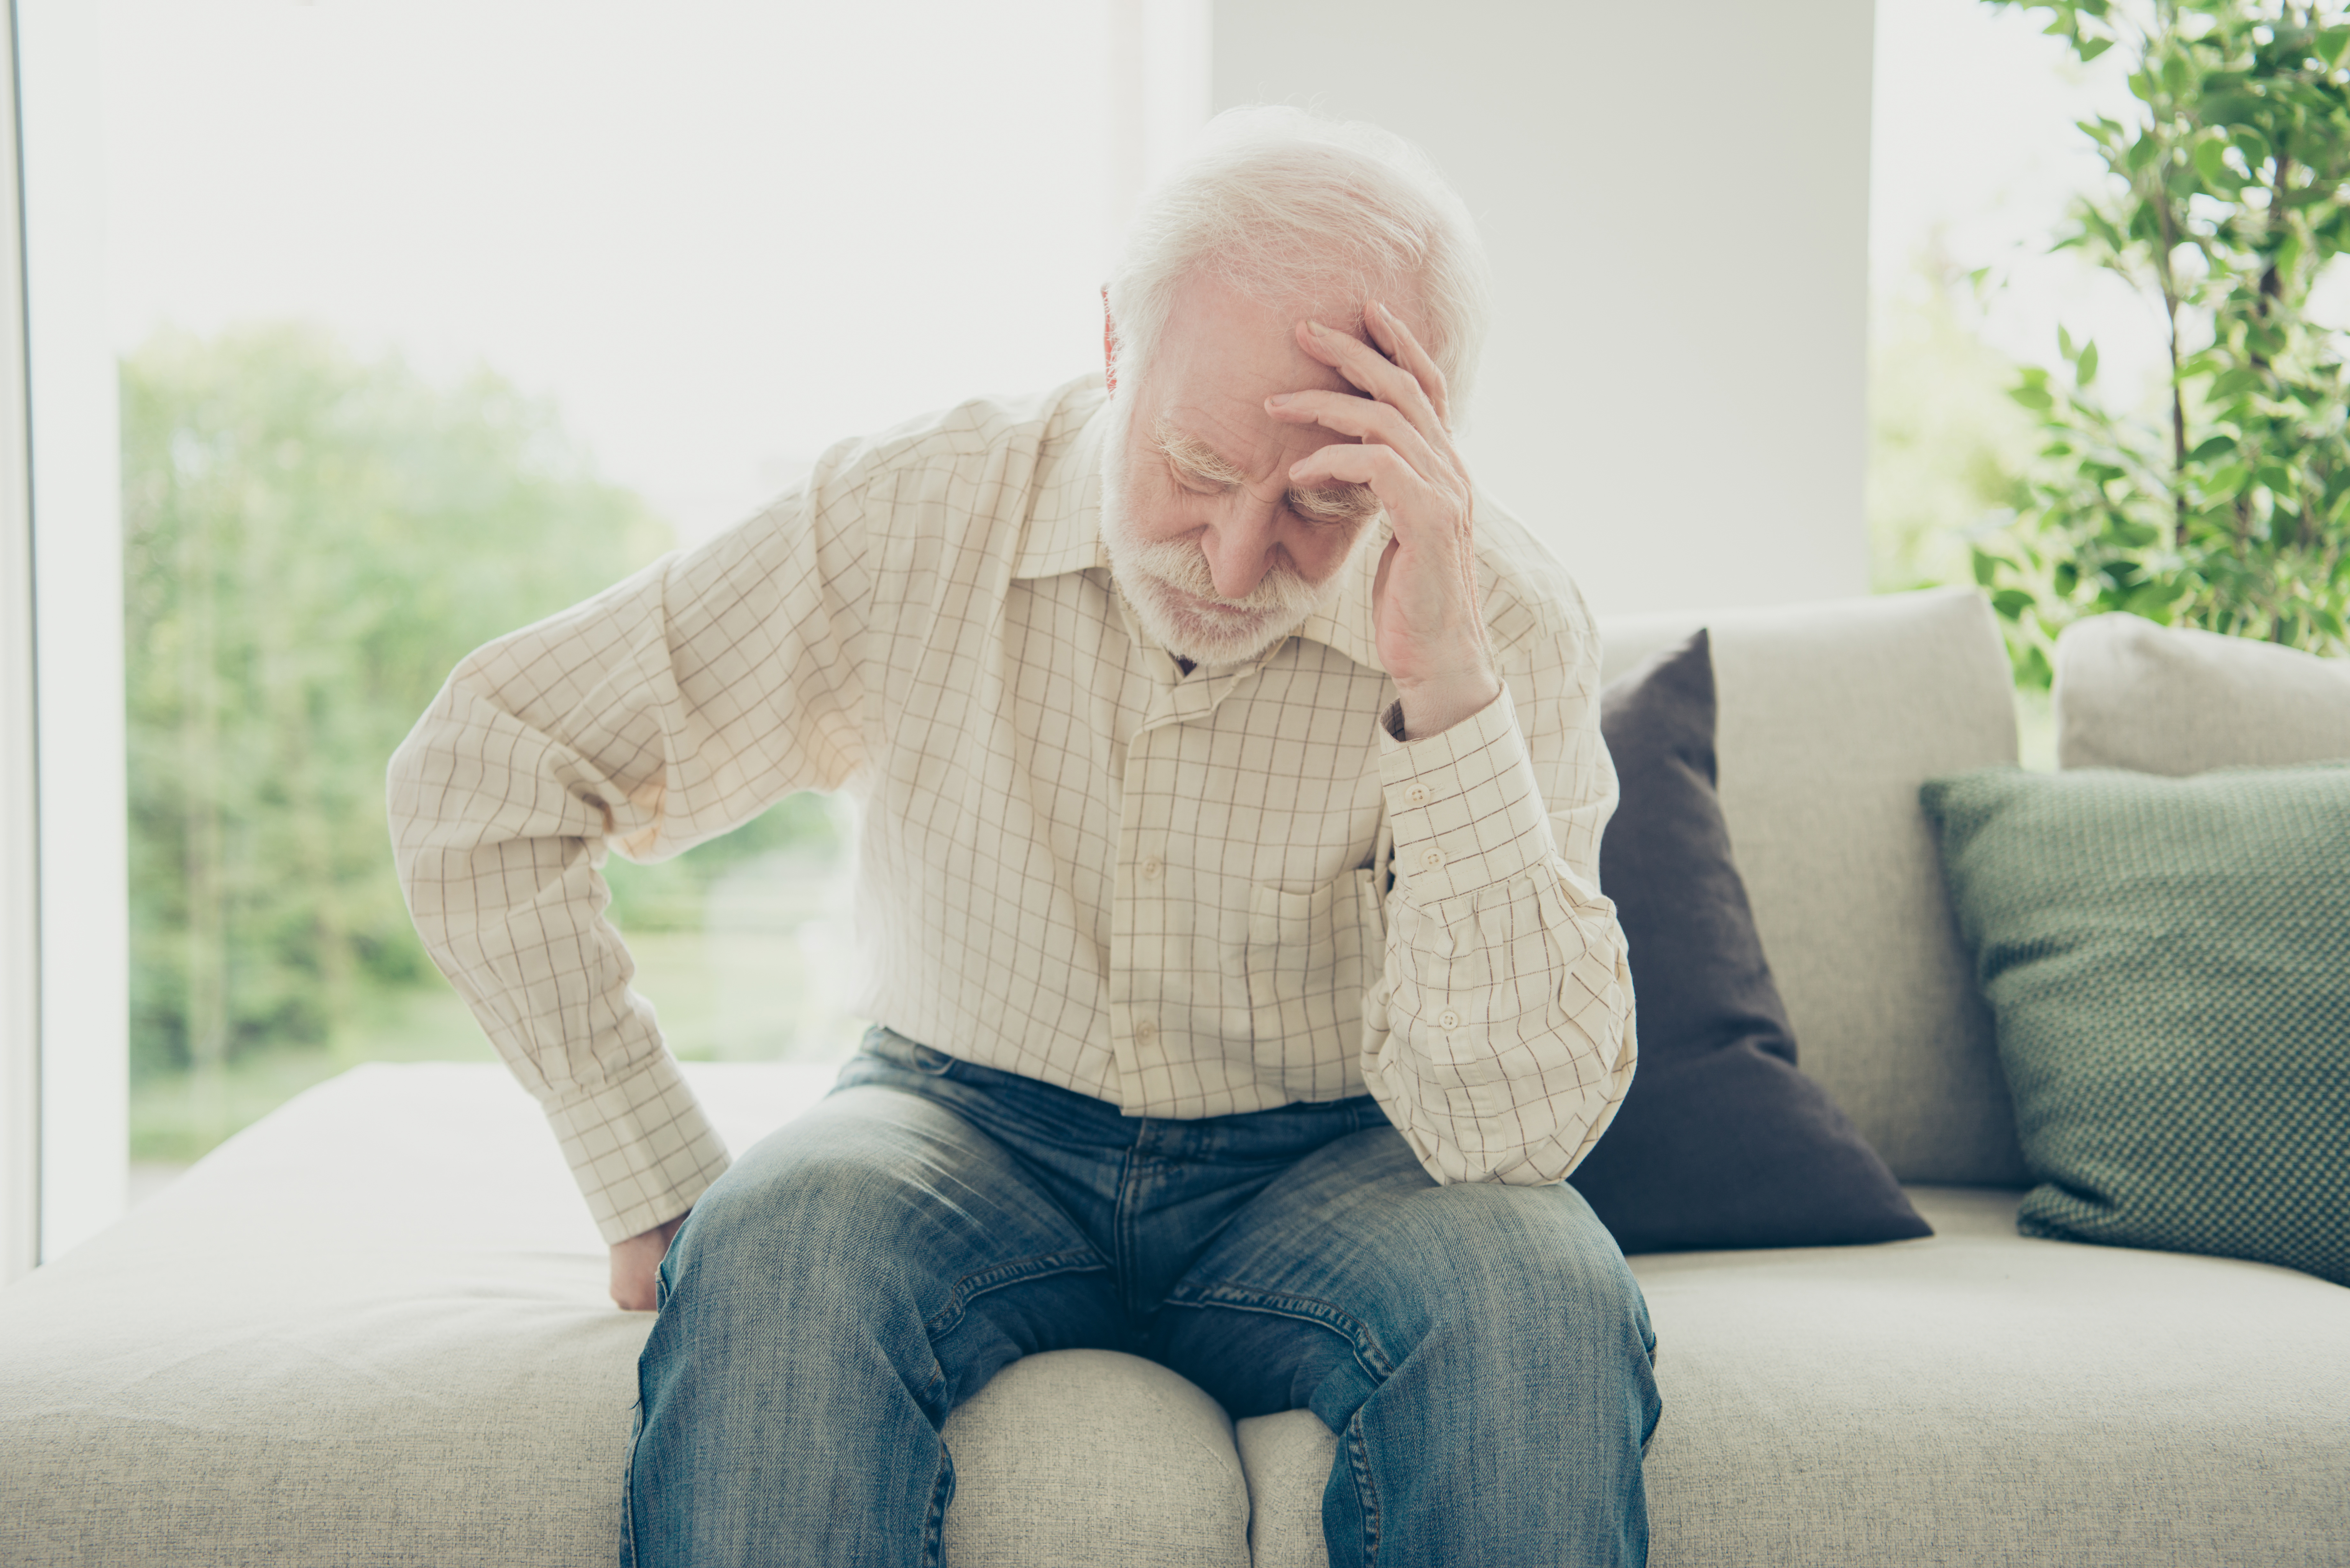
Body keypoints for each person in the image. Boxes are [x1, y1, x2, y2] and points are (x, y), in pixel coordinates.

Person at [388, 105, 1658, 1568]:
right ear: (1115, 346)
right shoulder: (908, 515)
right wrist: (647, 1170)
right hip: (955, 1116)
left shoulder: (1504, 619)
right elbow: (489, 765)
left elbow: (1511, 1136)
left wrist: (1443, 685)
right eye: (1194, 466)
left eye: (1322, 500)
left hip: (1342, 1160)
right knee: (775, 1240)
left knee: (1540, 1290)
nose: (1240, 564)